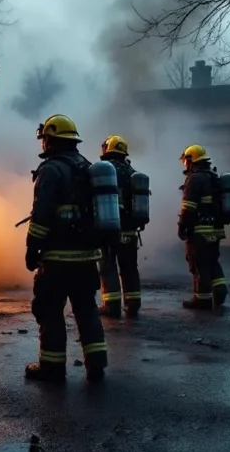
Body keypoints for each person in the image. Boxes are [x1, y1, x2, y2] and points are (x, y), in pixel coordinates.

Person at [24, 114, 108, 382]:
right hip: (86, 259)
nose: (43, 144)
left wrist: (32, 248)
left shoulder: (51, 169)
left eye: (44, 139)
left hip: (58, 260)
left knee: (49, 309)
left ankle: (52, 367)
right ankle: (96, 365)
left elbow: (42, 216)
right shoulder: (88, 168)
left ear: (50, 140)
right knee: (86, 309)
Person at [177, 145, 229, 310]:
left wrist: (182, 226)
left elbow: (188, 206)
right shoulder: (213, 176)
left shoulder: (195, 178)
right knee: (212, 261)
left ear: (192, 160)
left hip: (200, 230)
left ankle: (202, 299)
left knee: (198, 263)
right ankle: (220, 291)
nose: (185, 165)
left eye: (186, 161)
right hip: (216, 229)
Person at [97, 135, 143, 319]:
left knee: (108, 266)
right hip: (130, 230)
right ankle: (133, 305)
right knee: (129, 267)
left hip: (109, 229)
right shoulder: (132, 171)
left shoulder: (104, 171)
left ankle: (112, 305)